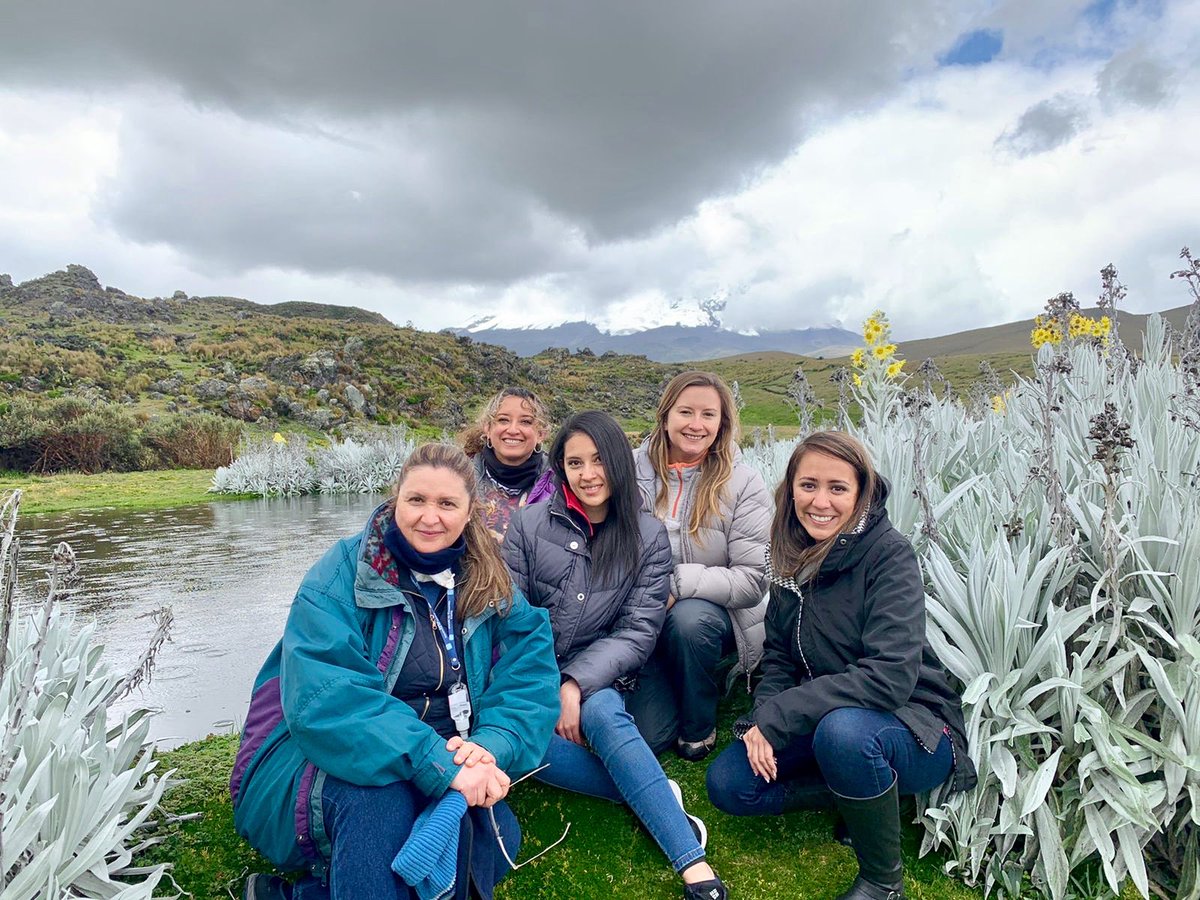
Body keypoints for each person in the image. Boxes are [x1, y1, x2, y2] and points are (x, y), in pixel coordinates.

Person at [229, 443, 560, 900]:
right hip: (319, 754)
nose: (430, 517)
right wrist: (439, 762)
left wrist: (488, 747)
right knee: (379, 806)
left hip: (448, 751)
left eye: (447, 504)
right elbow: (328, 700)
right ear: (395, 499)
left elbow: (530, 673)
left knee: (494, 836)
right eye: (417, 500)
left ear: (470, 513)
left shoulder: (488, 576)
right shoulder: (339, 577)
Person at [705, 431, 976, 900]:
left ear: (862, 492)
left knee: (844, 734)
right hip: (830, 716)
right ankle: (863, 796)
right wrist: (761, 722)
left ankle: (883, 882)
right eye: (809, 485)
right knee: (730, 785)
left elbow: (889, 677)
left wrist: (782, 716)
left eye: (838, 488)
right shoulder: (789, 553)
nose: (821, 502)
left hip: (914, 729)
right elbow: (780, 659)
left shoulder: (889, 556)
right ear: (791, 489)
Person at [503, 410, 729, 900]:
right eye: (575, 463)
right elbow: (514, 618)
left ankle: (693, 866)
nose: (588, 474)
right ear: (561, 469)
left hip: (608, 673)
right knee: (519, 746)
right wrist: (549, 684)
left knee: (603, 711)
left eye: (600, 459)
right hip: (532, 669)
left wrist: (576, 684)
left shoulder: (648, 537)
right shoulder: (527, 525)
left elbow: (636, 632)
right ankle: (656, 793)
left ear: (620, 465)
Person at [625, 371, 771, 760]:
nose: (696, 424)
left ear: (722, 423)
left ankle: (698, 725)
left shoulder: (743, 482)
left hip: (710, 619)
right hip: (639, 613)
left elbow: (754, 579)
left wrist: (675, 584)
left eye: (708, 415)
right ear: (666, 414)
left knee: (689, 623)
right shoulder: (628, 469)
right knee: (648, 736)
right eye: (685, 411)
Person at [459, 386, 555, 541]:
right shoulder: (460, 477)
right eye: (503, 420)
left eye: (525, 422)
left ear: (541, 434)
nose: (513, 429)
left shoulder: (560, 484)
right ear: (488, 429)